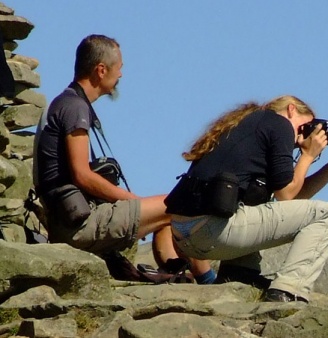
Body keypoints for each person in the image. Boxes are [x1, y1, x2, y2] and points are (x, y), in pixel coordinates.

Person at [34, 34, 213, 284]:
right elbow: (81, 174)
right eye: (119, 68)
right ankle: (209, 279)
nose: (121, 75)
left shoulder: (66, 103)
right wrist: (133, 202)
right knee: (178, 204)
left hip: (72, 219)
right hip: (78, 227)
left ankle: (173, 271)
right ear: (101, 70)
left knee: (166, 210)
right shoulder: (74, 108)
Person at [165, 95, 328, 302]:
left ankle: (239, 274)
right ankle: (289, 290)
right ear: (291, 110)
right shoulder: (279, 123)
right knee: (327, 214)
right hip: (210, 229)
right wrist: (308, 155)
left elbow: (294, 198)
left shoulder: (253, 126)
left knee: (258, 204)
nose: (306, 135)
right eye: (306, 127)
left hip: (185, 234)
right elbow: (287, 194)